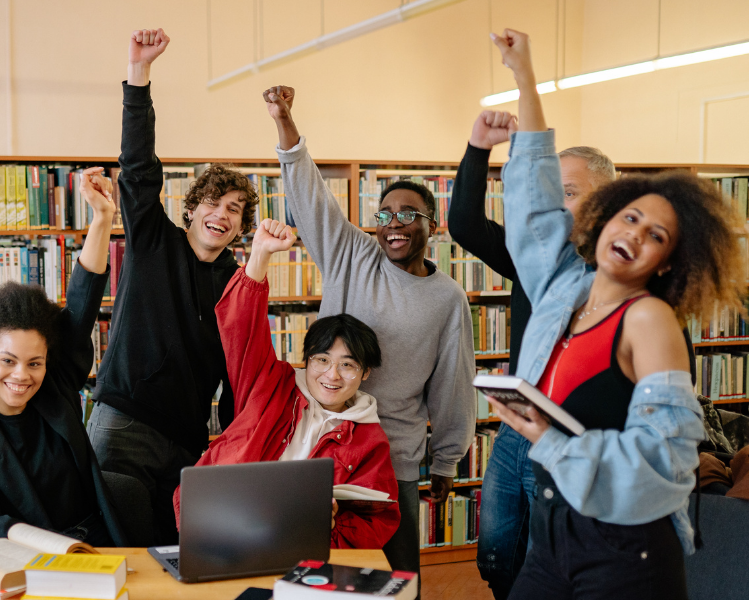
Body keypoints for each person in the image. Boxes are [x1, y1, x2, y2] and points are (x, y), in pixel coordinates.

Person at [488, 28, 745, 600]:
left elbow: (670, 461)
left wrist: (548, 440)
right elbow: (533, 198)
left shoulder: (650, 319)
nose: (635, 234)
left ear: (669, 262)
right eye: (629, 217)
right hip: (555, 531)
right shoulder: (564, 287)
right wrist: (526, 78)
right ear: (603, 218)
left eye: (657, 235)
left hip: (624, 550)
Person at [263, 85, 477, 574]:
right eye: (384, 214)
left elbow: (452, 382)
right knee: (310, 570)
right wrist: (285, 121)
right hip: (325, 444)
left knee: (395, 576)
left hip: (392, 456)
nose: (394, 224)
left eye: (408, 214)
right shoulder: (352, 255)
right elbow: (311, 197)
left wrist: (445, 461)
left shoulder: (448, 298)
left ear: (432, 224)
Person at [86, 28, 261, 546]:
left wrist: (230, 445)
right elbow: (138, 168)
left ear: (240, 226)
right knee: (114, 547)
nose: (222, 214)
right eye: (213, 202)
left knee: (175, 554)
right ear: (191, 209)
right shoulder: (153, 241)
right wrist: (139, 75)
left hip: (187, 440)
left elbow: (240, 370)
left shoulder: (236, 282)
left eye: (234, 209)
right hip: (124, 424)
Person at [447, 112, 616, 599]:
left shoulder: (622, 273)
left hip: (570, 435)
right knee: (496, 552)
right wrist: (479, 146)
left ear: (605, 199)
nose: (555, 206)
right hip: (516, 429)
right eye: (548, 193)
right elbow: (464, 224)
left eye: (569, 191)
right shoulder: (530, 259)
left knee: (551, 559)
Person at [0, 168, 128, 547]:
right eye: (8, 360)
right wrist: (54, 544)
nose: (21, 375)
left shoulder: (56, 390)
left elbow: (82, 306)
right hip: (25, 555)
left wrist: (102, 219)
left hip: (100, 543)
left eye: (34, 363)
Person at [172, 218, 400, 548]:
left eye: (347, 365)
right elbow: (243, 327)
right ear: (306, 360)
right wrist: (261, 253)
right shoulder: (270, 385)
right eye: (322, 360)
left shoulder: (369, 438)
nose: (332, 375)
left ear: (365, 373)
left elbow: (377, 519)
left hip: (300, 548)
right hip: (224, 527)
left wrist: (329, 531)